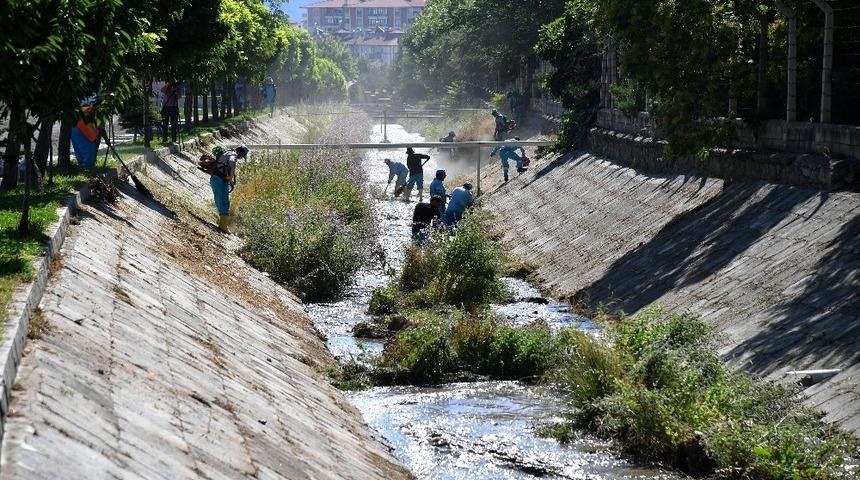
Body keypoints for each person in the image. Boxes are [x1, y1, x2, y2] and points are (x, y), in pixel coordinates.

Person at [208, 144, 249, 232]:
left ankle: (224, 224)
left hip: (220, 180)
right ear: (240, 152)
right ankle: (223, 225)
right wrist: (230, 177)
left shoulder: (228, 153)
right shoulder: (233, 155)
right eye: (243, 155)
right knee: (221, 200)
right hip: (217, 179)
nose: (241, 158)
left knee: (225, 201)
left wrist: (229, 181)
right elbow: (232, 162)